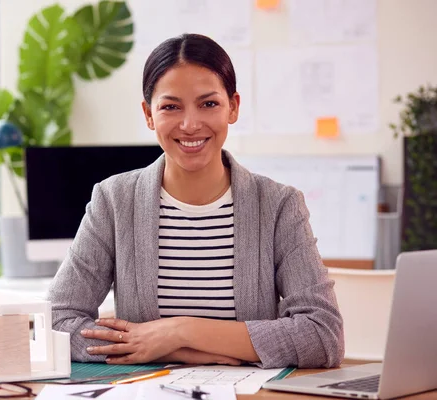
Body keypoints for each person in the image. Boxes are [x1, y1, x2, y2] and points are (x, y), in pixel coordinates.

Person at [46, 33, 344, 369]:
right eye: (171, 107)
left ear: (233, 107)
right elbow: (56, 322)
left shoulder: (278, 205)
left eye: (209, 104)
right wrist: (170, 352)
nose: (190, 124)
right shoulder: (114, 201)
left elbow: (323, 335)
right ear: (148, 115)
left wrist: (181, 332)